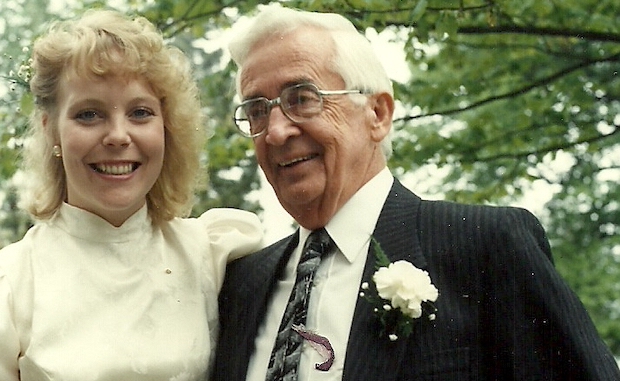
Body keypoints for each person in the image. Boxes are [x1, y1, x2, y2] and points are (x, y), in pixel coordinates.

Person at [212, 5, 620, 381]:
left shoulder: (485, 248)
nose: (277, 131)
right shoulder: (241, 284)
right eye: (257, 111)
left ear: (377, 114)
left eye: (301, 98)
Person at [0, 9, 263, 381]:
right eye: (89, 114)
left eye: (140, 112)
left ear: (166, 127)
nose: (118, 136)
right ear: (51, 130)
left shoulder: (213, 256)